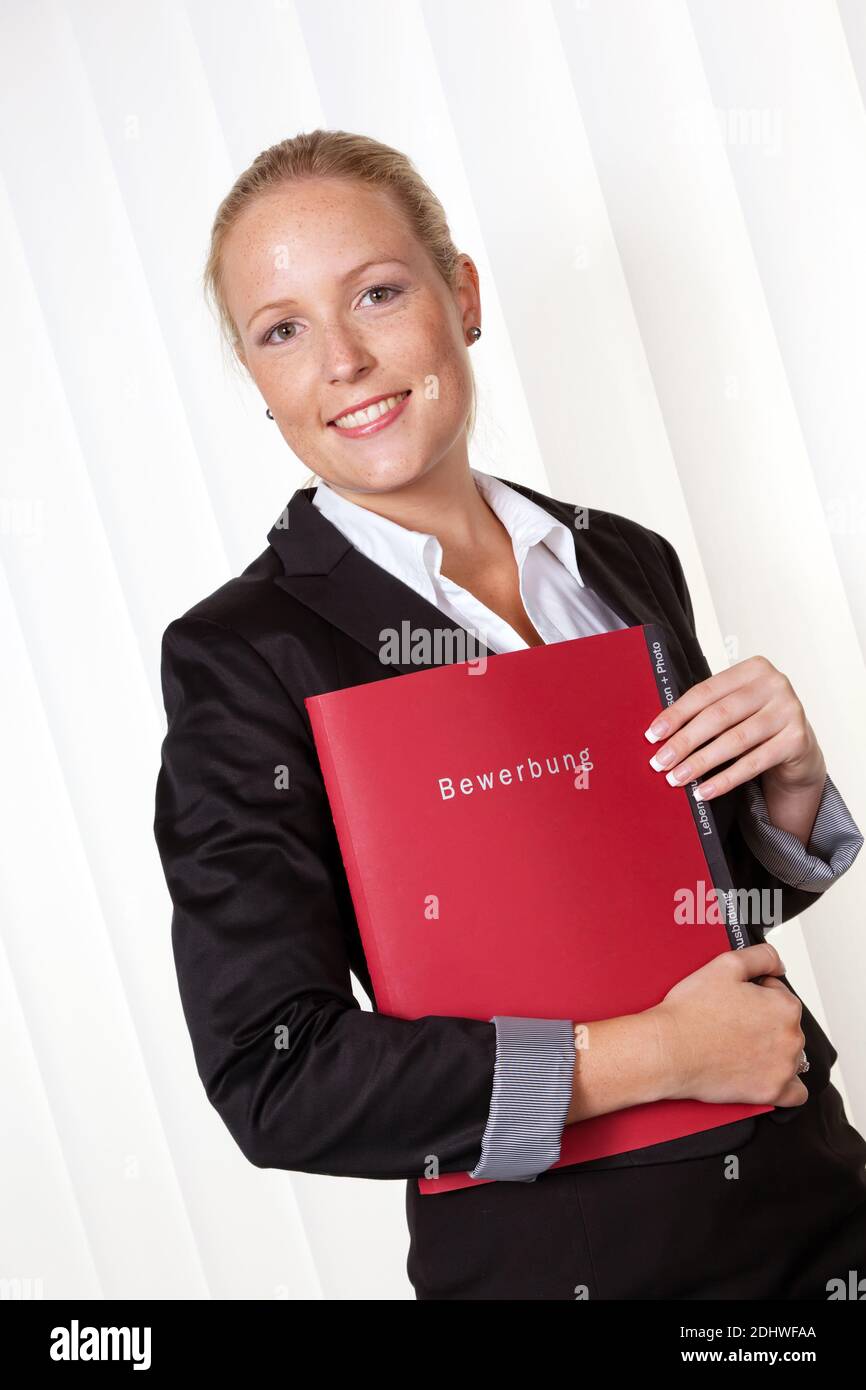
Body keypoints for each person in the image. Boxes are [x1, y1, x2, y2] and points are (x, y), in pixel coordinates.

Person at [153, 129, 866, 1300]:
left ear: (460, 295)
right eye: (283, 330)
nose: (341, 360)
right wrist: (650, 1057)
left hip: (814, 1206)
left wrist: (785, 793)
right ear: (257, 376)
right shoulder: (246, 657)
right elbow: (274, 1076)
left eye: (376, 293)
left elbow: (676, 918)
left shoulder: (616, 560)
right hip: (567, 1269)